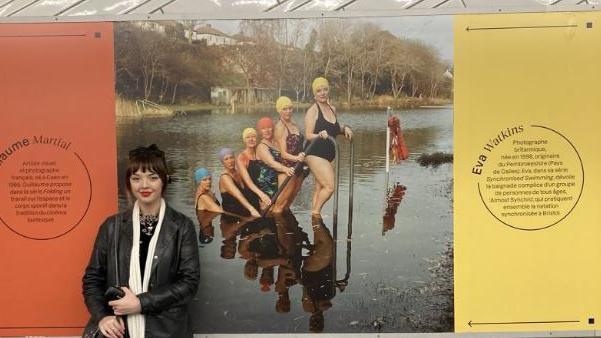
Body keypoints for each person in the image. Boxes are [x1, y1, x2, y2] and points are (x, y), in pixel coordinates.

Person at [82, 144, 200, 338]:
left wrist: (141, 303)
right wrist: (102, 316)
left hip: (167, 330)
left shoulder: (182, 226)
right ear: (129, 183)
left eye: (152, 177)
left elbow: (189, 283)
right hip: (120, 330)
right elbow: (92, 279)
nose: (144, 185)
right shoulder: (111, 227)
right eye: (136, 178)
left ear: (164, 181)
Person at [304, 77, 352, 216]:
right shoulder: (312, 111)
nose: (322, 93)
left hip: (330, 153)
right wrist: (319, 134)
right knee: (330, 187)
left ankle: (315, 217)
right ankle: (316, 211)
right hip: (315, 152)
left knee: (319, 186)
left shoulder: (332, 109)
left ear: (328, 90)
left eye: (325, 89)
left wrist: (345, 129)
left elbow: (334, 128)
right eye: (319, 91)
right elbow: (307, 134)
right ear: (314, 94)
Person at [256, 117, 295, 213]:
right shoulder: (261, 147)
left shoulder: (275, 143)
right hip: (267, 183)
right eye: (263, 128)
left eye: (269, 127)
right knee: (269, 210)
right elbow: (271, 163)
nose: (267, 130)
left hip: (277, 179)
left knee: (281, 206)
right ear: (260, 131)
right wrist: (286, 169)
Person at [274, 96, 306, 210]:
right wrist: (297, 158)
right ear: (279, 110)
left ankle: (288, 226)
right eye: (284, 109)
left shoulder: (293, 123)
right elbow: (283, 154)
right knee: (280, 204)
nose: (288, 111)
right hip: (287, 168)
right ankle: (276, 225)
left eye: (290, 108)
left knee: (289, 202)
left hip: (299, 166)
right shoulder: (280, 127)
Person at [218, 147, 261, 217]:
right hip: (233, 215)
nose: (230, 161)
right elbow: (238, 195)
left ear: (235, 158)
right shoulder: (224, 178)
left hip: (244, 210)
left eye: (231, 157)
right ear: (222, 162)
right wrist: (252, 209)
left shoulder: (239, 172)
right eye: (226, 159)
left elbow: (252, 184)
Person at [236, 127, 272, 210]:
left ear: (257, 138)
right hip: (251, 194)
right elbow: (248, 182)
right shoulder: (242, 157)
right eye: (248, 137)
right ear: (244, 140)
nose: (251, 139)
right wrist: (261, 195)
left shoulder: (261, 153)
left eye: (253, 137)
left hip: (265, 191)